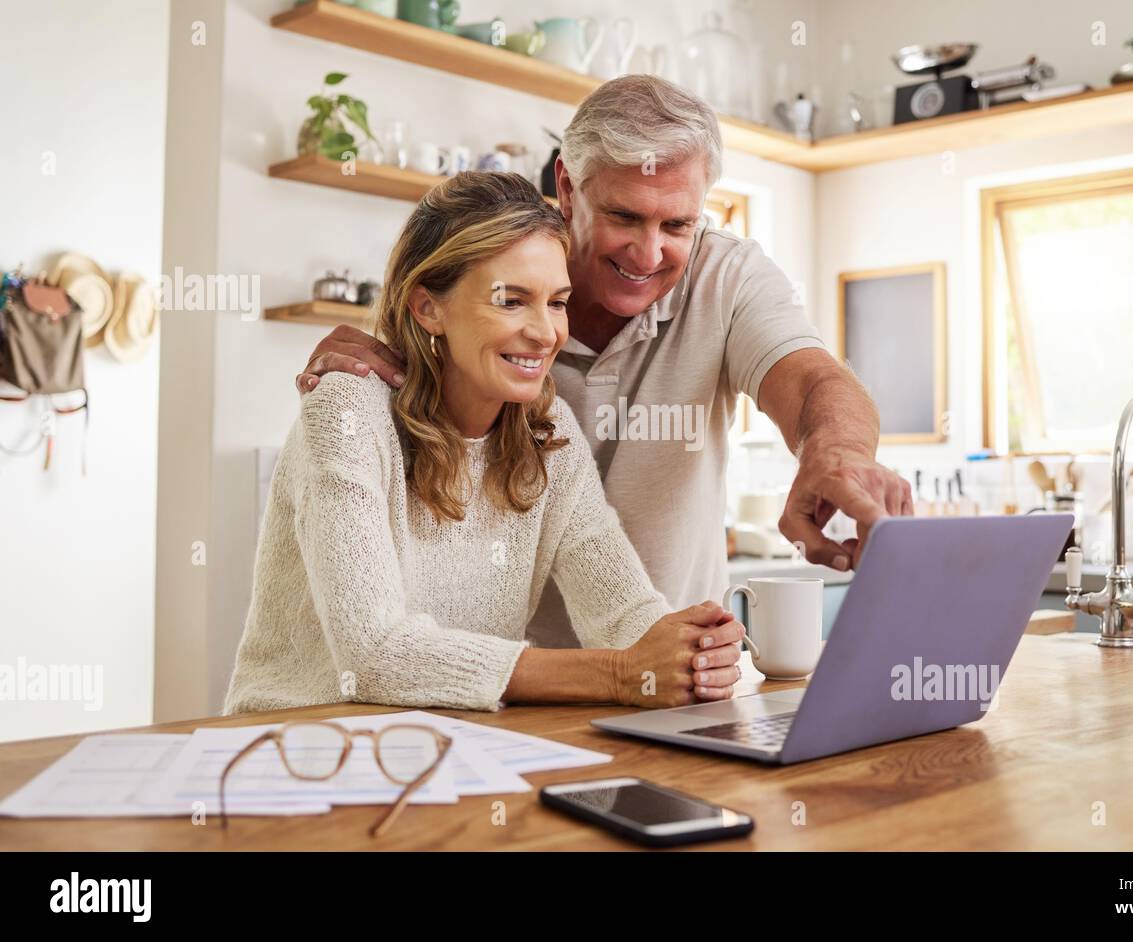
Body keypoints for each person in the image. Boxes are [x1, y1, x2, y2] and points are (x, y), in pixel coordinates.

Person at [296, 75, 913, 651]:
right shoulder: (491, 285)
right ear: (567, 187)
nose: (649, 253)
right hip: (492, 682)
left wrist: (836, 453)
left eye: (678, 223)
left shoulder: (727, 278)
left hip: (654, 668)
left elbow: (812, 383)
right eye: (624, 216)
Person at [224, 171, 744, 715]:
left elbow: (623, 616)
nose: (545, 333)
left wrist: (691, 649)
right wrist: (619, 673)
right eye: (512, 301)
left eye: (557, 302)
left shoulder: (549, 434)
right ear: (428, 308)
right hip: (297, 753)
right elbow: (375, 655)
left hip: (454, 750)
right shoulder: (348, 411)